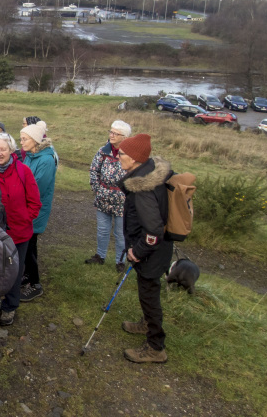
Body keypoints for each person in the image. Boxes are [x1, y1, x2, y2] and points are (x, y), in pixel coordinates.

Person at [117, 133, 173, 364]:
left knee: (149, 295)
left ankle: (155, 347)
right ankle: (146, 324)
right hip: (157, 251)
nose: (118, 156)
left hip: (151, 253)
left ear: (135, 159)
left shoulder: (142, 189)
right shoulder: (149, 172)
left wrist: (136, 252)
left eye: (121, 154)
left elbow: (153, 231)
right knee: (148, 292)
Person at [0, 132, 41, 326]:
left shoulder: (24, 171)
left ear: (11, 150)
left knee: (14, 271)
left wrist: (25, 218)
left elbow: (35, 202)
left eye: (3, 149)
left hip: (19, 232)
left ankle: (9, 306)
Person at [18, 121, 57, 302]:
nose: (22, 143)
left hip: (35, 210)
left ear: (34, 140)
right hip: (25, 208)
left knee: (30, 247)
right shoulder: (31, 156)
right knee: (25, 247)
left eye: (25, 139)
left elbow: (37, 188)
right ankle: (26, 274)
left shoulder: (46, 160)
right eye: (21, 139)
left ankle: (35, 284)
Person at [87, 120, 131, 272]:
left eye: (115, 133)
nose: (111, 135)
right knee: (102, 230)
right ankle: (100, 256)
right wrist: (97, 189)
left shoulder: (130, 154)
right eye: (110, 132)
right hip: (102, 198)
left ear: (124, 137)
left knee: (120, 233)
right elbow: (94, 170)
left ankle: (120, 261)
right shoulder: (103, 151)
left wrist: (129, 196)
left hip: (122, 202)